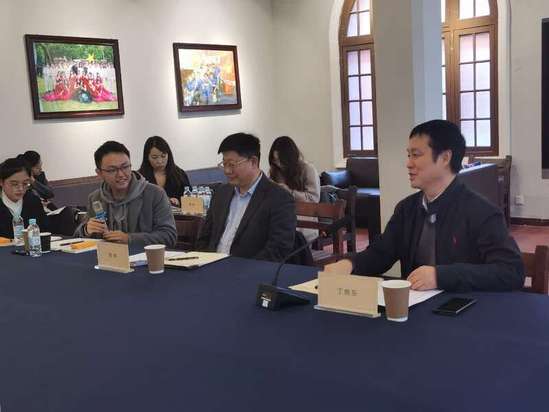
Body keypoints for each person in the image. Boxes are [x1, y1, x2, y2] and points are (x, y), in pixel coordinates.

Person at [326, 119, 524, 292]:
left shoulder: (481, 212)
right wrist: (350, 264)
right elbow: (382, 253)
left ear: (445, 158)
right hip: (414, 309)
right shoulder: (407, 209)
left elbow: (511, 271)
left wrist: (440, 276)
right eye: (409, 155)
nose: (408, 163)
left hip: (464, 311)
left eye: (416, 155)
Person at [197, 132, 296, 261]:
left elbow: (278, 249)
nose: (227, 171)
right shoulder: (221, 193)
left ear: (253, 162)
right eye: (224, 164)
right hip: (211, 266)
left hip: (249, 270)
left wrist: (242, 269)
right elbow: (204, 239)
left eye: (232, 164)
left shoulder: (279, 198)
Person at [74, 141, 177, 247]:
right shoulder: (96, 198)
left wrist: (129, 239)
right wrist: (86, 230)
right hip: (107, 255)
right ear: (99, 173)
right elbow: (77, 236)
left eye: (125, 167)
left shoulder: (155, 194)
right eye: (112, 170)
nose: (121, 174)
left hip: (145, 256)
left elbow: (169, 236)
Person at [269, 135, 320, 242]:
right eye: (275, 161)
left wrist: (289, 191)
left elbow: (313, 199)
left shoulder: (308, 169)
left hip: (304, 218)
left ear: (289, 158)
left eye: (280, 160)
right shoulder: (275, 171)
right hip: (281, 216)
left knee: (283, 233)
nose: (278, 164)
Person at [0, 157, 48, 238]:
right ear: (1, 182)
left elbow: (44, 231)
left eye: (25, 183)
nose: (21, 189)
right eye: (14, 184)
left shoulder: (33, 201)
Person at [138, 136, 190, 207]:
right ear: (147, 157)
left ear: (168, 155)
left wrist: (179, 201)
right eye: (154, 157)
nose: (159, 161)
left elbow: (190, 200)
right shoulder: (139, 177)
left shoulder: (180, 174)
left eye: (163, 156)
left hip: (176, 213)